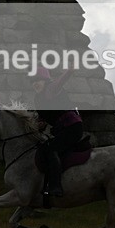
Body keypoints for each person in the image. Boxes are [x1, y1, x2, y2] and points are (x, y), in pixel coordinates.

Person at [31, 67, 83, 198]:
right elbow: (43, 119)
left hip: (72, 127)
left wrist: (70, 70)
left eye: (38, 80)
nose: (35, 83)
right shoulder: (38, 98)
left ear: (46, 81)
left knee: (51, 150)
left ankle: (55, 187)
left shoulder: (50, 89)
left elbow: (61, 81)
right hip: (62, 129)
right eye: (33, 81)